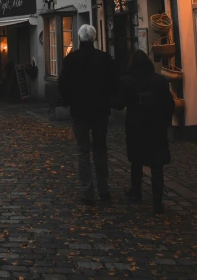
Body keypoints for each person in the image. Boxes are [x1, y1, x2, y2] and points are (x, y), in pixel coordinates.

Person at [58, 24, 119, 206]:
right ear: (94, 38)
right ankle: (104, 190)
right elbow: (114, 85)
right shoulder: (105, 58)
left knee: (83, 151)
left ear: (79, 38)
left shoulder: (71, 59)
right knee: (100, 149)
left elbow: (62, 86)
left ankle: (87, 192)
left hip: (79, 111)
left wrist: (70, 100)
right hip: (100, 111)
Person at [116, 50, 175, 214]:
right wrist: (165, 122)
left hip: (136, 126)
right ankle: (157, 202)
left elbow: (120, 104)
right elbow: (169, 105)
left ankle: (136, 191)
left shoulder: (127, 81)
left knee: (136, 160)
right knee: (157, 165)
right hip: (156, 127)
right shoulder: (159, 81)